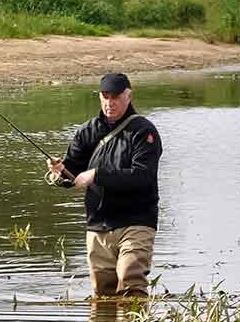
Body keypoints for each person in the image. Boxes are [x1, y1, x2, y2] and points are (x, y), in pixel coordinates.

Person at [47, 73, 163, 298]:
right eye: (105, 96)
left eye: (116, 97)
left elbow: (143, 176)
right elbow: (72, 172)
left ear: (128, 96)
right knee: (103, 292)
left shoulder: (144, 131)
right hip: (98, 224)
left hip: (137, 221)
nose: (110, 103)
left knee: (131, 283)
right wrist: (58, 172)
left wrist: (97, 175)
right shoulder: (88, 131)